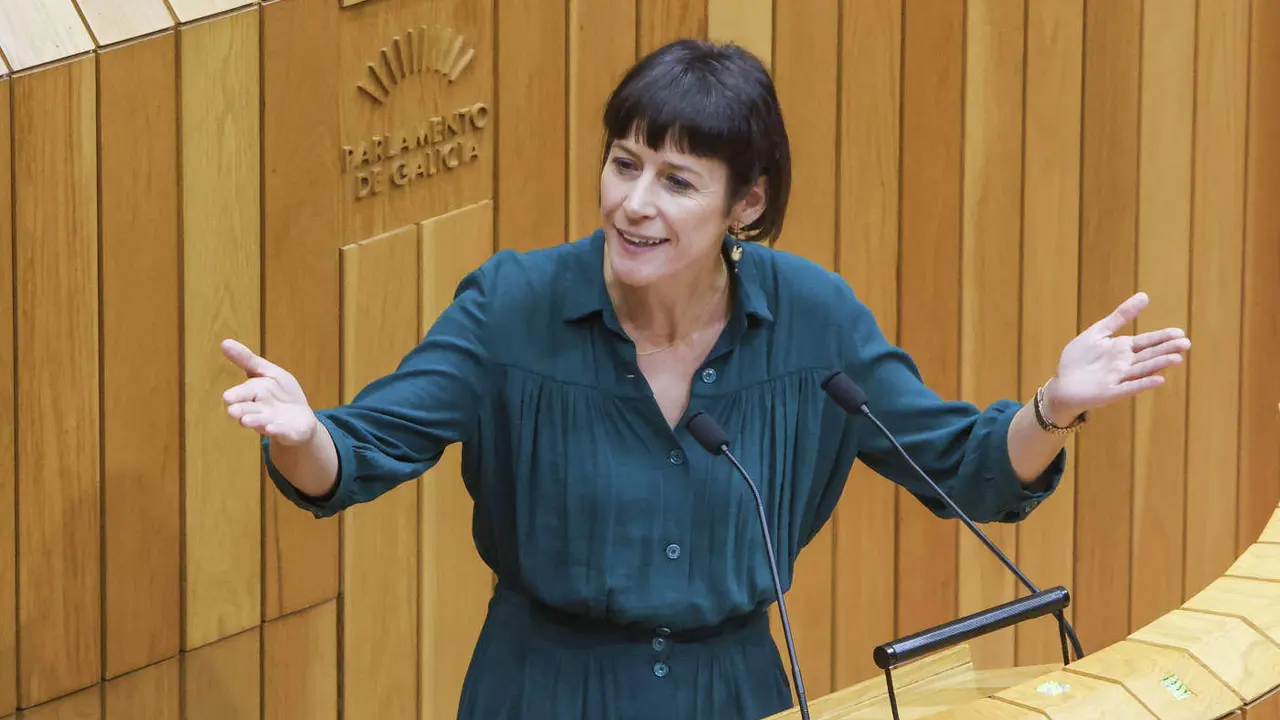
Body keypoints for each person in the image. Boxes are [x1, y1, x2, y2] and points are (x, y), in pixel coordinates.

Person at [220, 39, 1190, 720]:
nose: (633, 204)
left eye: (676, 180)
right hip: (545, 692)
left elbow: (967, 469)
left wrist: (1051, 407)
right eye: (621, 163)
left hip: (734, 692)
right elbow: (358, 456)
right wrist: (306, 434)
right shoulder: (511, 307)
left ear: (746, 202)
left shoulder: (813, 323)